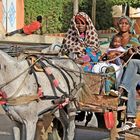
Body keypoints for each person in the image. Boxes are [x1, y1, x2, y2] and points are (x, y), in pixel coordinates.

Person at [110, 16, 140, 131]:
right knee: (131, 86)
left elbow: (134, 56)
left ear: (129, 26)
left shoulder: (134, 39)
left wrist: (128, 53)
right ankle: (130, 119)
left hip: (131, 67)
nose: (123, 25)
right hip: (130, 71)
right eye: (121, 23)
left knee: (132, 63)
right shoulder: (115, 38)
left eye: (126, 24)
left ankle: (120, 89)